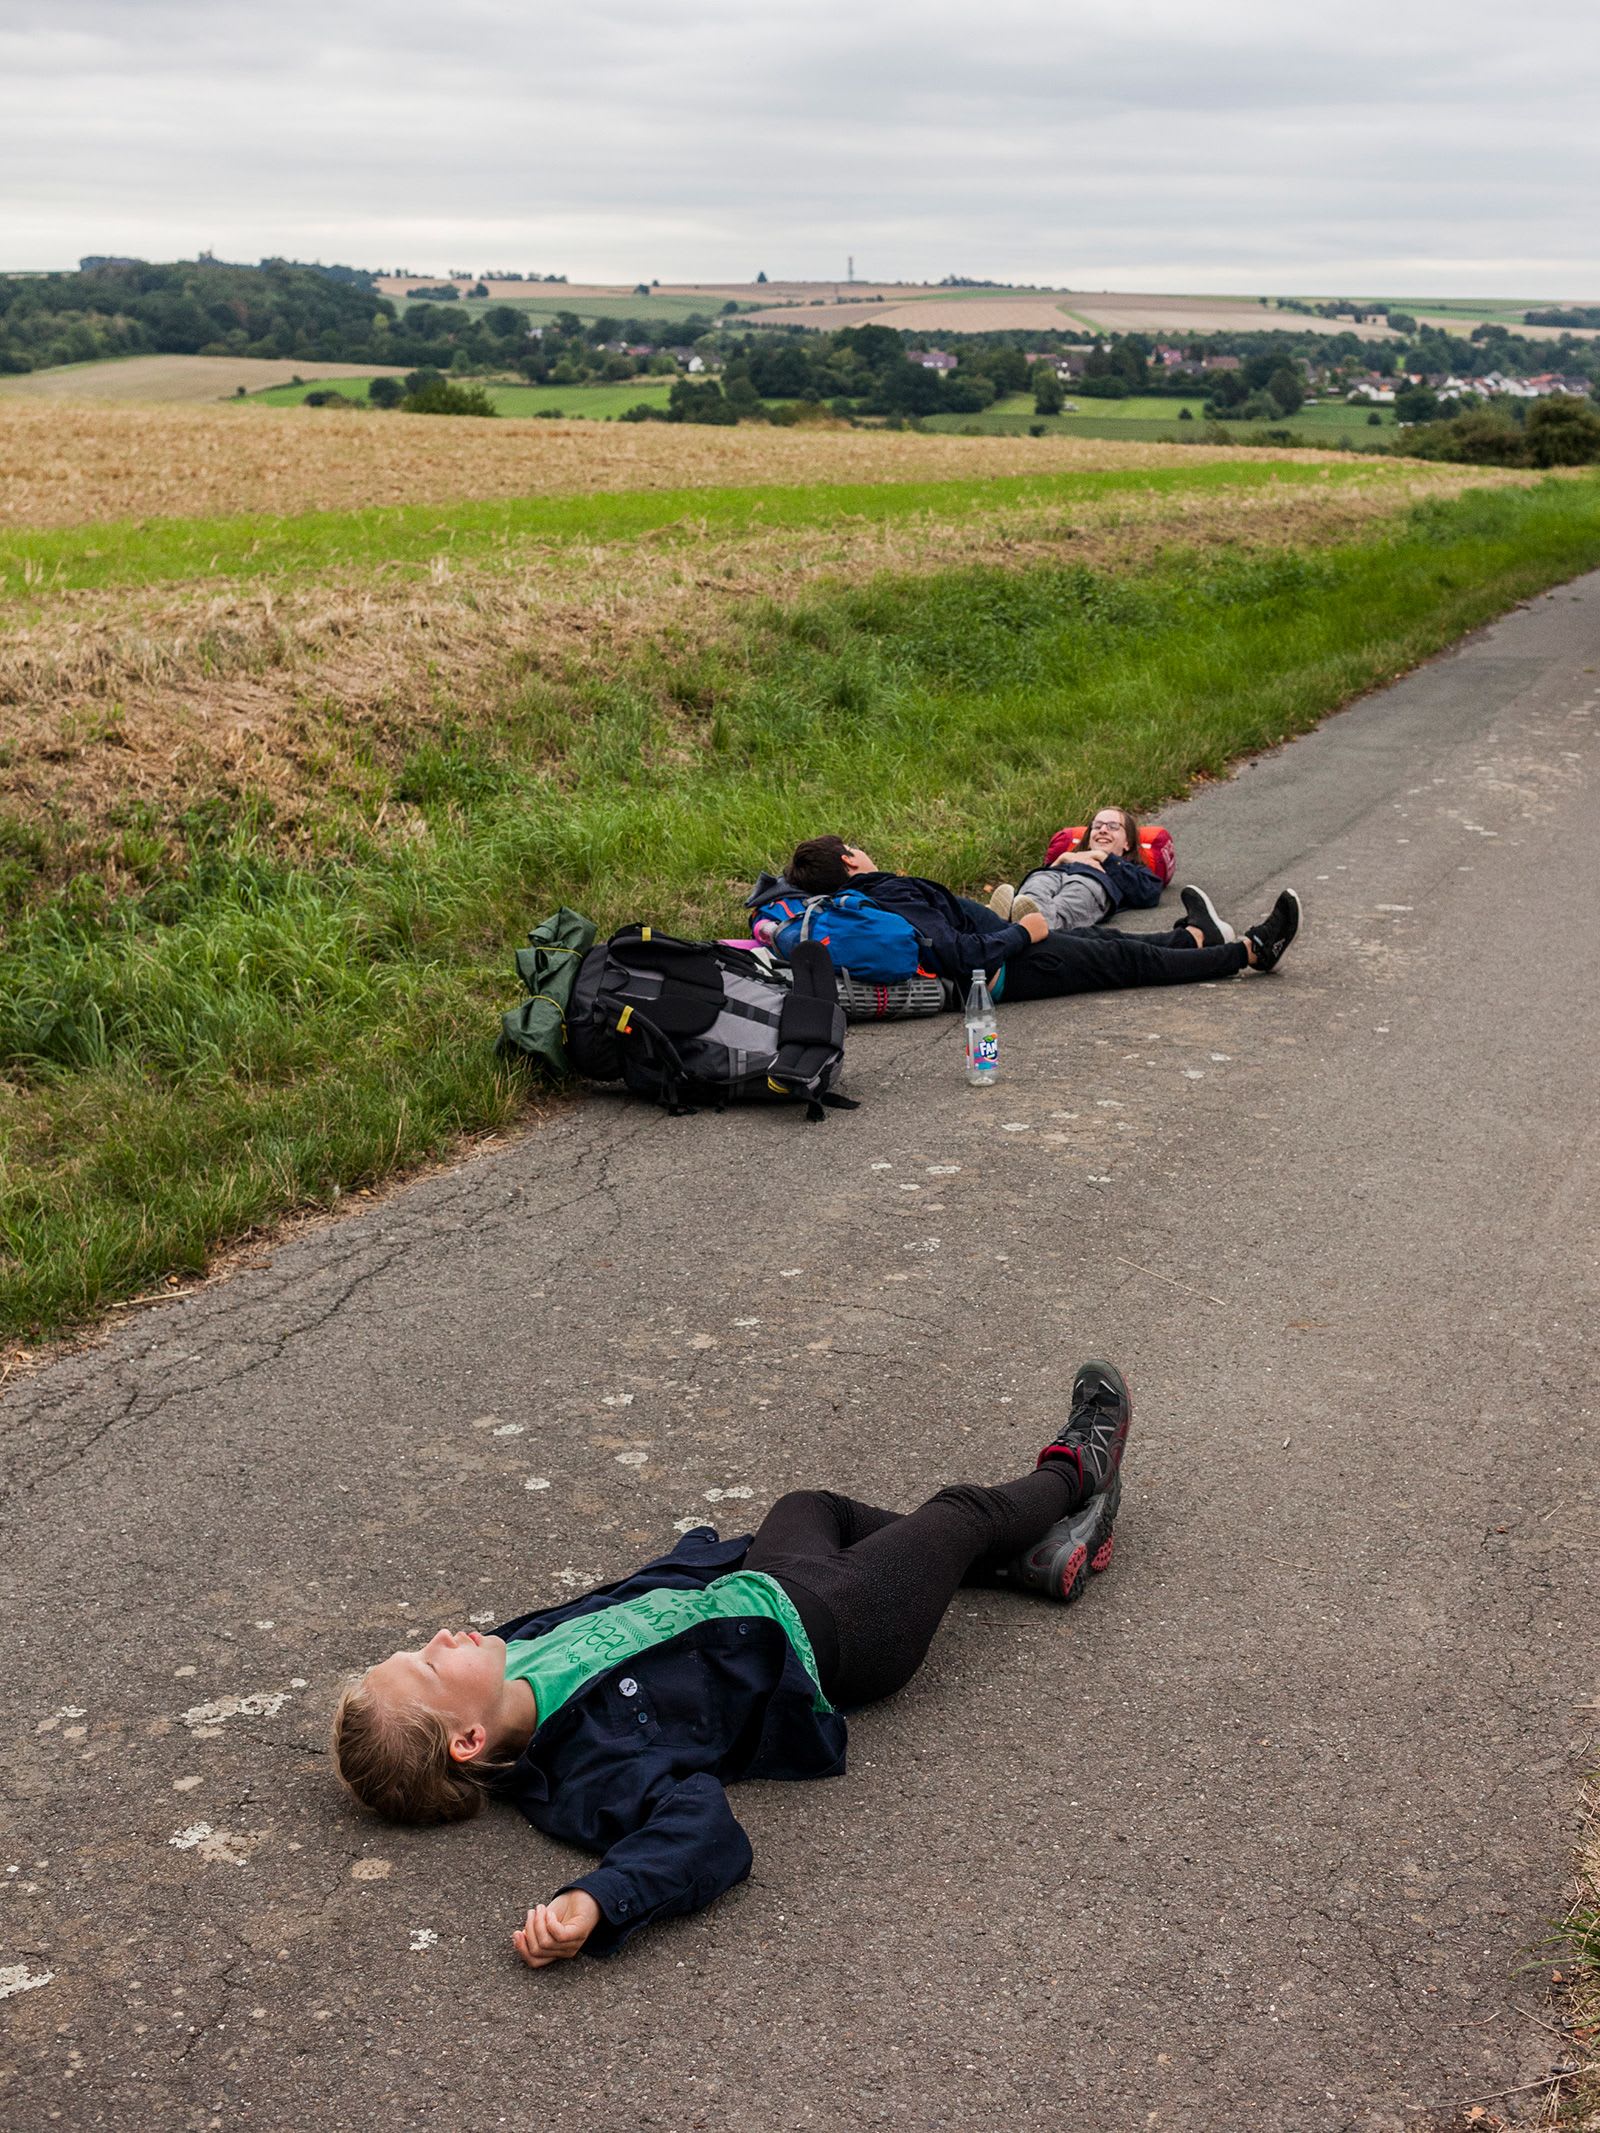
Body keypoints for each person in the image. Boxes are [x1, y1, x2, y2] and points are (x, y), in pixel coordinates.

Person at [331, 1363, 1135, 1969]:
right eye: (431, 1666)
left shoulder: (515, 1651)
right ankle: (1077, 1469)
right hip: (838, 1631)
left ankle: (1022, 1560)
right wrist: (596, 1900)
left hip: (762, 1577)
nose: (441, 1637)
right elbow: (701, 1832)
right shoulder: (588, 1770)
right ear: (468, 1740)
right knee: (958, 1512)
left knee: (814, 1504)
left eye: (418, 1645)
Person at [773, 836, 1300, 1003]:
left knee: (1097, 939)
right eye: (856, 847)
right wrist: (1022, 930)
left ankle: (1194, 935)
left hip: (1007, 952)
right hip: (1006, 968)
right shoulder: (886, 894)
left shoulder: (869, 895)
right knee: (1124, 959)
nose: (864, 851)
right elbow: (957, 955)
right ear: (848, 861)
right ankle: (1251, 951)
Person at [990, 805, 1165, 932]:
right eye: (1097, 826)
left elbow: (1150, 891)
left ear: (1127, 842)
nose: (1103, 830)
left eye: (1113, 827)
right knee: (1035, 890)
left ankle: (1008, 925)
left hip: (1094, 883)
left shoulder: (1129, 868)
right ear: (1089, 838)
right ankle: (1016, 923)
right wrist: (1061, 859)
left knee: (1064, 906)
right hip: (1055, 872)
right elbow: (1044, 874)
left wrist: (1104, 858)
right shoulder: (1069, 856)